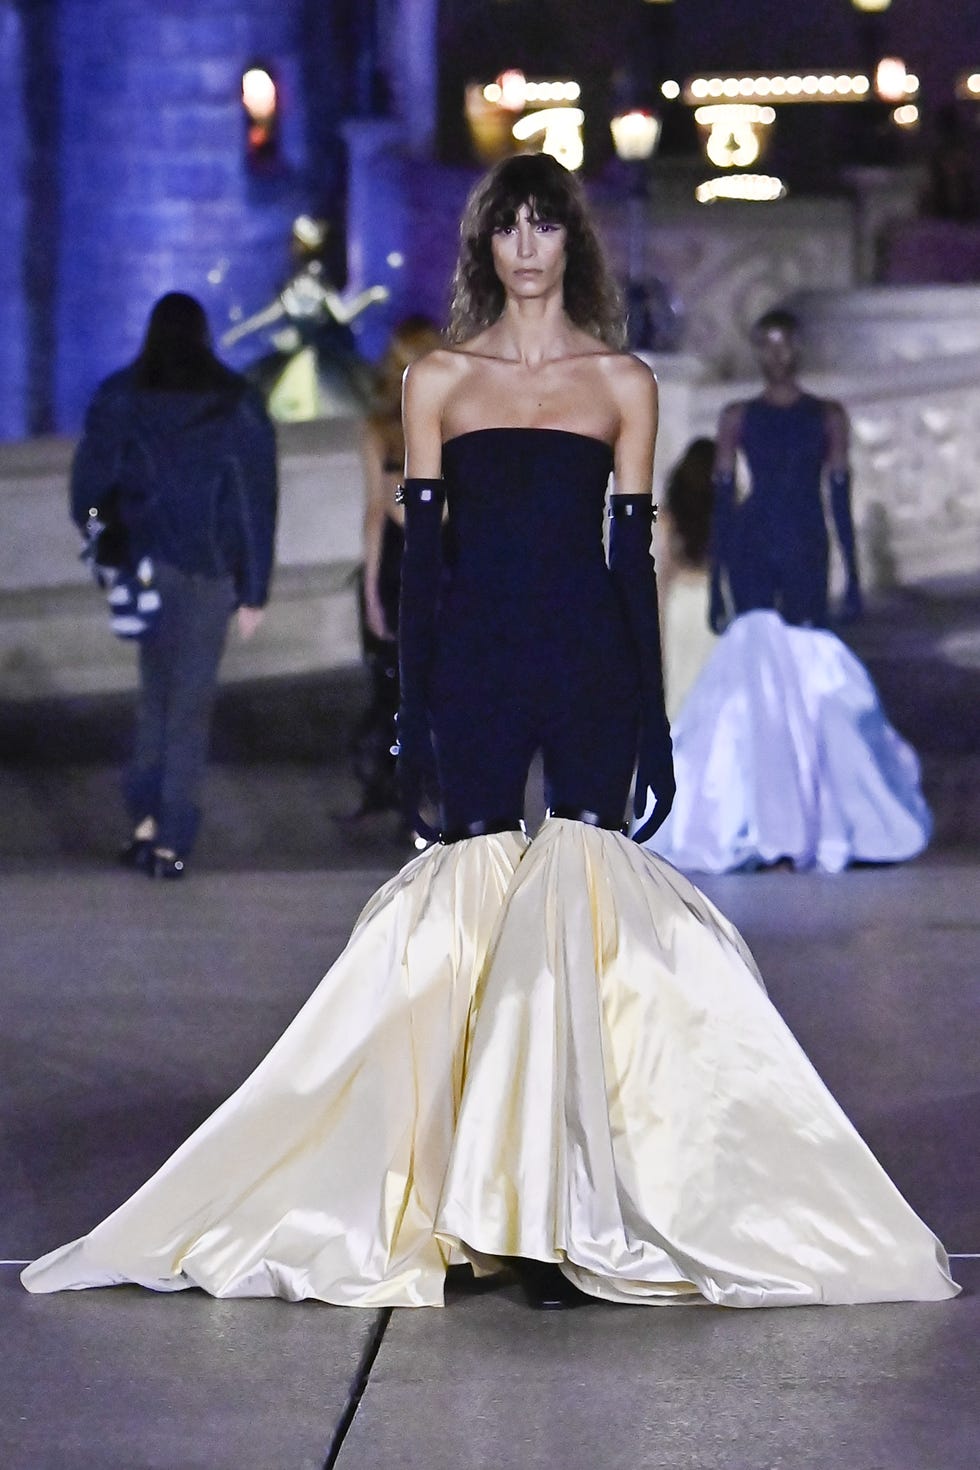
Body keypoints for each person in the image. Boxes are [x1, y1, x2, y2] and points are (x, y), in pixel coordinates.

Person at [24, 157, 956, 1311]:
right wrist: (411, 711)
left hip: (582, 664)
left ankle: (560, 1210)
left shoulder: (621, 383)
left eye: (543, 224)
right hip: (471, 663)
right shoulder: (438, 384)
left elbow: (628, 558)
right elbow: (422, 571)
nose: (525, 245)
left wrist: (649, 719)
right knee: (459, 930)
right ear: (486, 246)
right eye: (507, 225)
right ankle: (462, 1209)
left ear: (569, 243)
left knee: (572, 924)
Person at [643, 309, 931, 874]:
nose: (776, 355)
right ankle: (754, 816)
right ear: (757, 350)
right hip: (755, 542)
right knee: (752, 671)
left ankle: (809, 814)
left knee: (807, 672)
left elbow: (839, 499)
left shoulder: (827, 417)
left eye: (784, 344)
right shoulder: (736, 417)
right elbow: (724, 505)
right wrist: (722, 582)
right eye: (766, 345)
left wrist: (850, 573)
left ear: (797, 348)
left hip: (804, 540)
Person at [70, 292, 278, 879]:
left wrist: (102, 544)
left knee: (154, 698)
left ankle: (144, 820)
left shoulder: (120, 396)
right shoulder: (235, 403)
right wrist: (254, 587)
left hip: (144, 565)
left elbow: (88, 490)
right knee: (188, 706)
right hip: (209, 572)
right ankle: (171, 837)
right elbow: (253, 501)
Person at [347, 315, 444, 823]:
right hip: (409, 564)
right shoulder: (383, 429)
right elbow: (382, 510)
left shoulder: (450, 424)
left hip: (432, 563)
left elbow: (387, 507)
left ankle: (425, 796)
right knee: (406, 687)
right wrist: (369, 592)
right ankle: (415, 796)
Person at [656, 437, 718, 721]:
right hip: (714, 606)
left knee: (678, 694)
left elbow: (662, 574)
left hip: (680, 604)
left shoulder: (668, 517)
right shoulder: (726, 514)